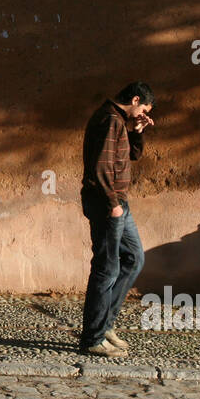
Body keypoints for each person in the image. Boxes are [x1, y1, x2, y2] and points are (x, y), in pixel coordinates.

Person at [78, 81, 155, 357]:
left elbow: (131, 156)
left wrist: (138, 132)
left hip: (120, 203)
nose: (143, 113)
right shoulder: (109, 120)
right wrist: (112, 205)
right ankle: (92, 338)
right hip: (108, 205)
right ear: (135, 100)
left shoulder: (121, 122)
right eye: (143, 109)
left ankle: (105, 325)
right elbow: (99, 168)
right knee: (106, 268)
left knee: (134, 258)